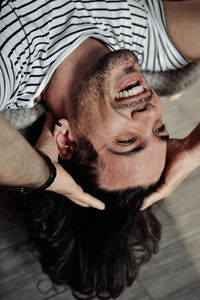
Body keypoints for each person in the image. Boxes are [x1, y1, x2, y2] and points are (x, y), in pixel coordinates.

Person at [0, 0, 200, 208]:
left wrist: (44, 174)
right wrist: (191, 151)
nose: (149, 113)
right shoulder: (143, 34)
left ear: (66, 140)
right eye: (159, 128)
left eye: (127, 140)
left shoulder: (13, 68)